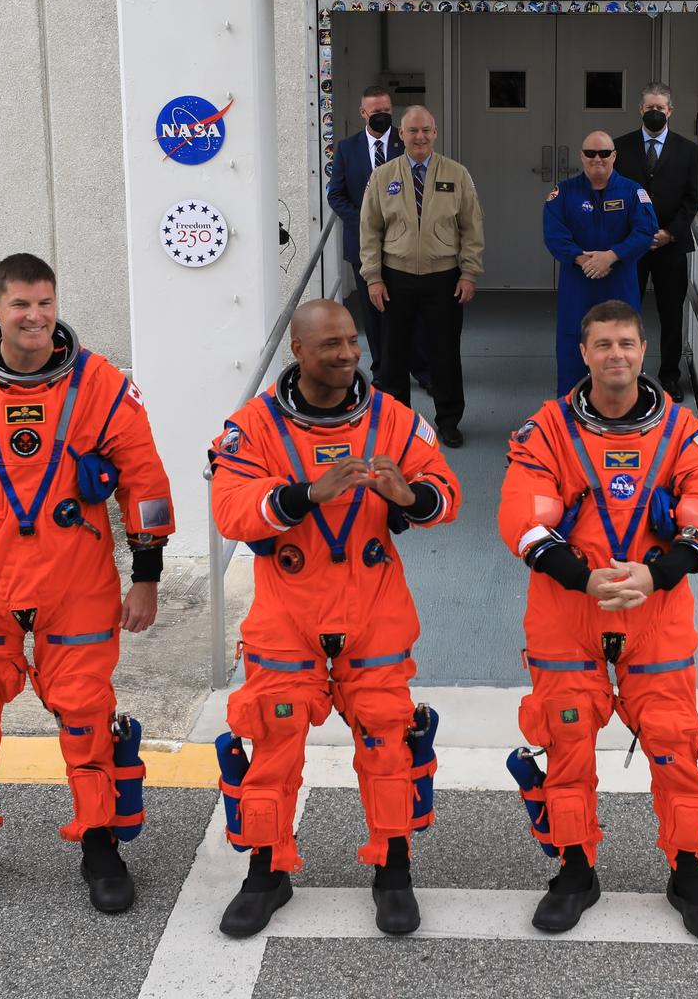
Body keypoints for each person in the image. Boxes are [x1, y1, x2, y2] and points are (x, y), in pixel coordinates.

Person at [0, 253, 175, 914]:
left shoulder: (101, 386)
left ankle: (100, 842)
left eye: (44, 303)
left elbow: (144, 481)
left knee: (84, 711)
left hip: (75, 575)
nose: (34, 316)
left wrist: (147, 577)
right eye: (20, 304)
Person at [208, 299, 461, 938]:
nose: (348, 354)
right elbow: (232, 510)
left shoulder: (395, 420)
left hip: (373, 606)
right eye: (332, 345)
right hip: (289, 610)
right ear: (298, 350)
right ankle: (267, 872)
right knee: (272, 736)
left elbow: (446, 495)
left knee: (388, 738)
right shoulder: (255, 427)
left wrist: (411, 495)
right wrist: (304, 495)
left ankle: (393, 868)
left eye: (352, 342)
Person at [496, 300, 698, 941]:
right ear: (584, 353)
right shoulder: (545, 430)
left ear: (642, 348)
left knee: (672, 741)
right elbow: (523, 517)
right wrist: (582, 576)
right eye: (603, 344)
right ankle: (575, 871)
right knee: (567, 739)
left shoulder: (686, 433)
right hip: (568, 608)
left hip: (654, 610)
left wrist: (657, 574)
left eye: (627, 343)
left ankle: (689, 872)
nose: (617, 356)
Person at [360, 105, 484, 449]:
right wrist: (373, 277)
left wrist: (469, 272)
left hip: (443, 278)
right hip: (394, 277)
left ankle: (448, 422)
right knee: (393, 355)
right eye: (413, 131)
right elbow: (369, 230)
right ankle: (399, 425)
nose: (420, 137)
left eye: (426, 130)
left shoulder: (457, 174)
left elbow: (472, 228)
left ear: (435, 132)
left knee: (444, 353)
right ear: (401, 135)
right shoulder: (383, 176)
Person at [324, 85, 432, 391]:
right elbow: (336, 195)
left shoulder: (408, 140)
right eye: (376, 112)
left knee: (414, 310)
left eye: (387, 110)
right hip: (363, 247)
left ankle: (423, 370)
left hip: (408, 245)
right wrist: (366, 220)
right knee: (374, 313)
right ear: (363, 113)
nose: (383, 116)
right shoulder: (346, 148)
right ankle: (384, 371)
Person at [545, 131, 658, 396]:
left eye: (605, 153)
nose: (598, 159)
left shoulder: (633, 192)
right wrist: (582, 259)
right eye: (591, 153)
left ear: (614, 156)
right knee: (574, 347)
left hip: (620, 283)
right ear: (581, 156)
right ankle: (570, 418)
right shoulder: (563, 192)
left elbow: (645, 232)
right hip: (578, 284)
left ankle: (626, 418)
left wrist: (612, 256)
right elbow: (553, 234)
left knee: (622, 348)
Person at [614, 83, 698, 401]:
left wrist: (669, 233)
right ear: (640, 109)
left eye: (660, 108)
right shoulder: (619, 147)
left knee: (671, 314)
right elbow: (614, 195)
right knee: (626, 313)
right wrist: (637, 235)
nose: (655, 113)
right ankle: (626, 375)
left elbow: (691, 200)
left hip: (671, 246)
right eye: (649, 107)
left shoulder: (687, 150)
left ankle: (669, 376)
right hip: (630, 247)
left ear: (670, 111)